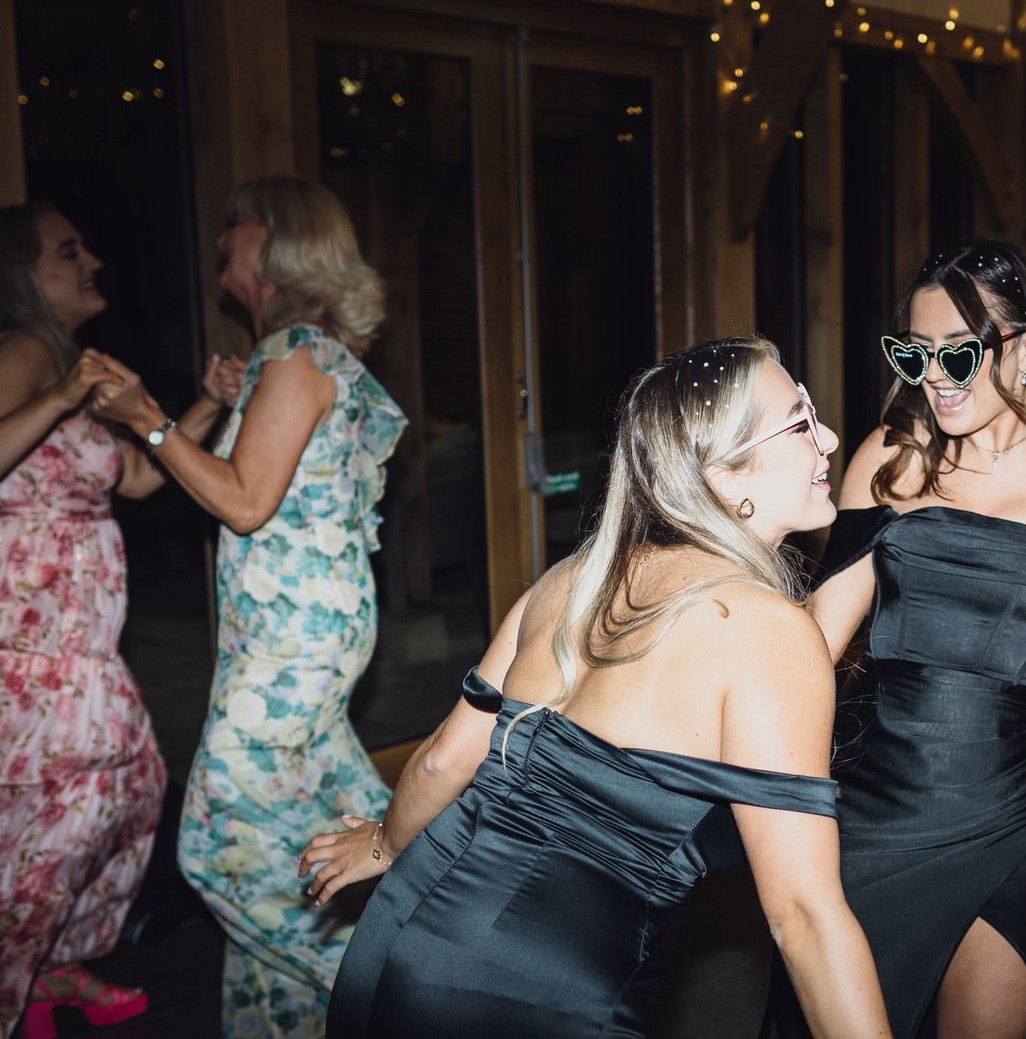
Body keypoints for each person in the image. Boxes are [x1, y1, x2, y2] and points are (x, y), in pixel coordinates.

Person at [292, 336, 891, 1039]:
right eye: (799, 423)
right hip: (533, 994)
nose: (829, 438)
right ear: (725, 477)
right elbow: (805, 919)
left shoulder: (570, 581)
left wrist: (385, 847)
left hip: (395, 940)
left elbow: (441, 761)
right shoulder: (770, 633)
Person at [763, 238, 1026, 1039]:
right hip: (876, 800)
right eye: (914, 354)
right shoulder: (890, 458)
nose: (933, 378)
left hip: (1012, 806)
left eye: (958, 353)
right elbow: (817, 638)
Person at [88, 175, 406, 1039]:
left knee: (214, 847)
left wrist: (147, 415)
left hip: (291, 644)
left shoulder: (296, 351)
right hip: (302, 629)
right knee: (304, 834)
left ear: (273, 239)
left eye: (237, 223)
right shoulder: (297, 355)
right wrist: (208, 407)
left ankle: (408, 992)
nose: (223, 236)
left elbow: (244, 500)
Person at [0, 204, 238, 1039]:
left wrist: (207, 402)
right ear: (23, 274)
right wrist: (63, 392)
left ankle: (48, 965)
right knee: (67, 816)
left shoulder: (63, 363)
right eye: (68, 252)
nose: (91, 261)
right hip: (31, 641)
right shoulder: (26, 355)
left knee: (132, 788)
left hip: (84, 643)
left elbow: (136, 477)